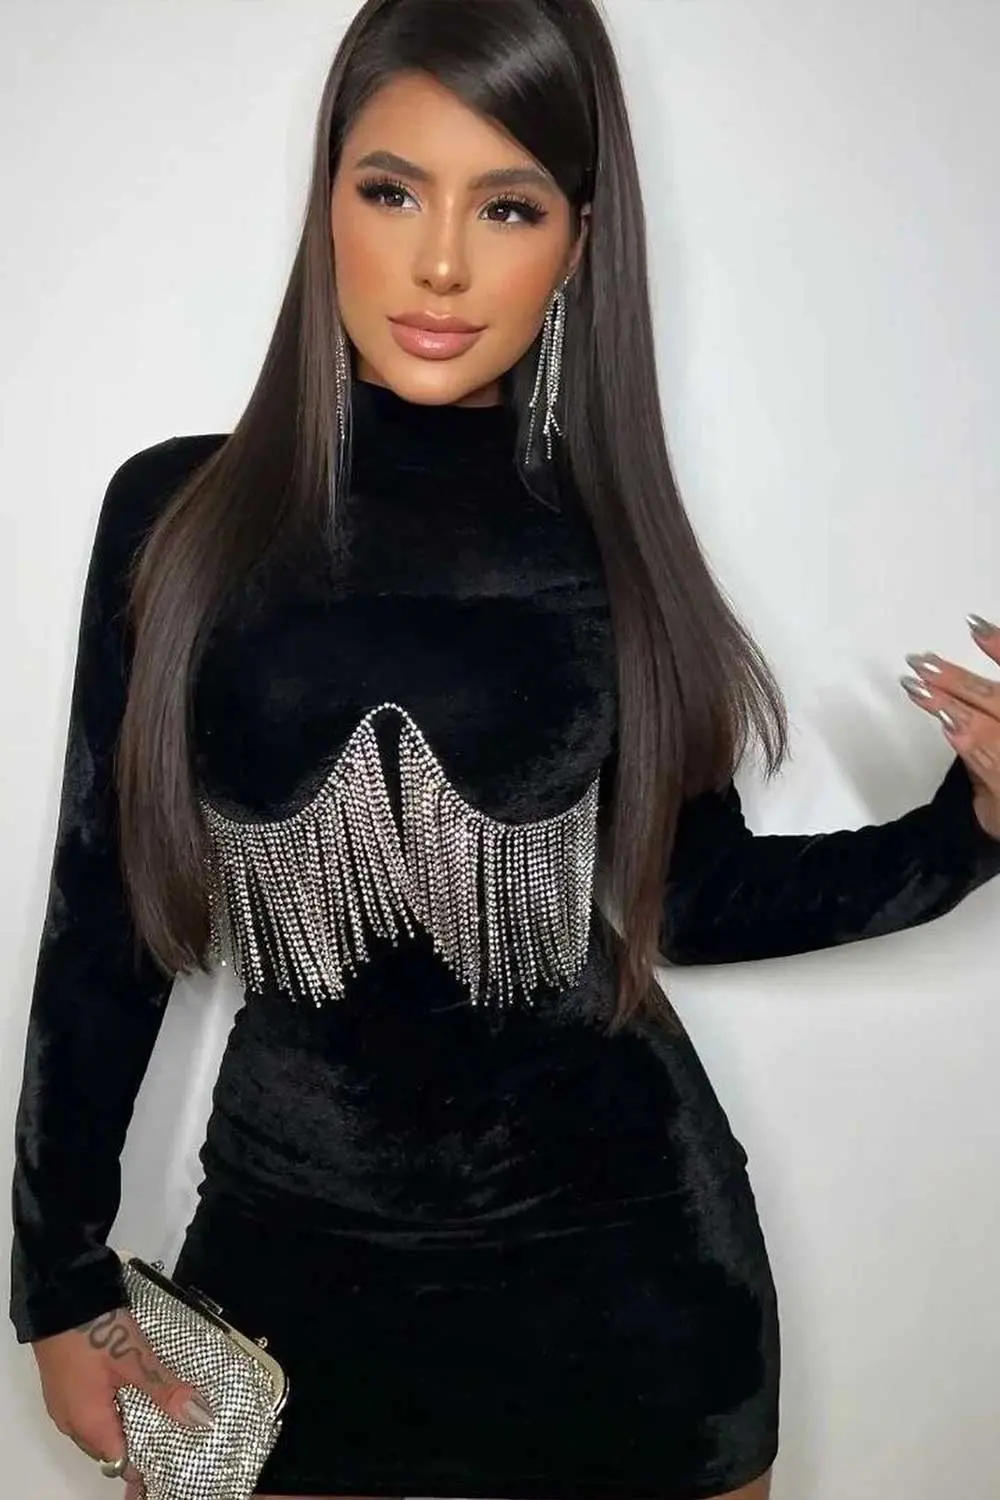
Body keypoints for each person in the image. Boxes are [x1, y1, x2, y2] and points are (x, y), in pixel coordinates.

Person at [8, 2, 1000, 1498]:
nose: (442, 264)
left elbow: (695, 900)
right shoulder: (179, 520)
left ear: (579, 241)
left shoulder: (608, 541)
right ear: (327, 203)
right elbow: (102, 929)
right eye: (392, 190)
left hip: (630, 1287)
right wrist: (58, 1279)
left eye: (510, 206)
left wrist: (968, 827)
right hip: (291, 1278)